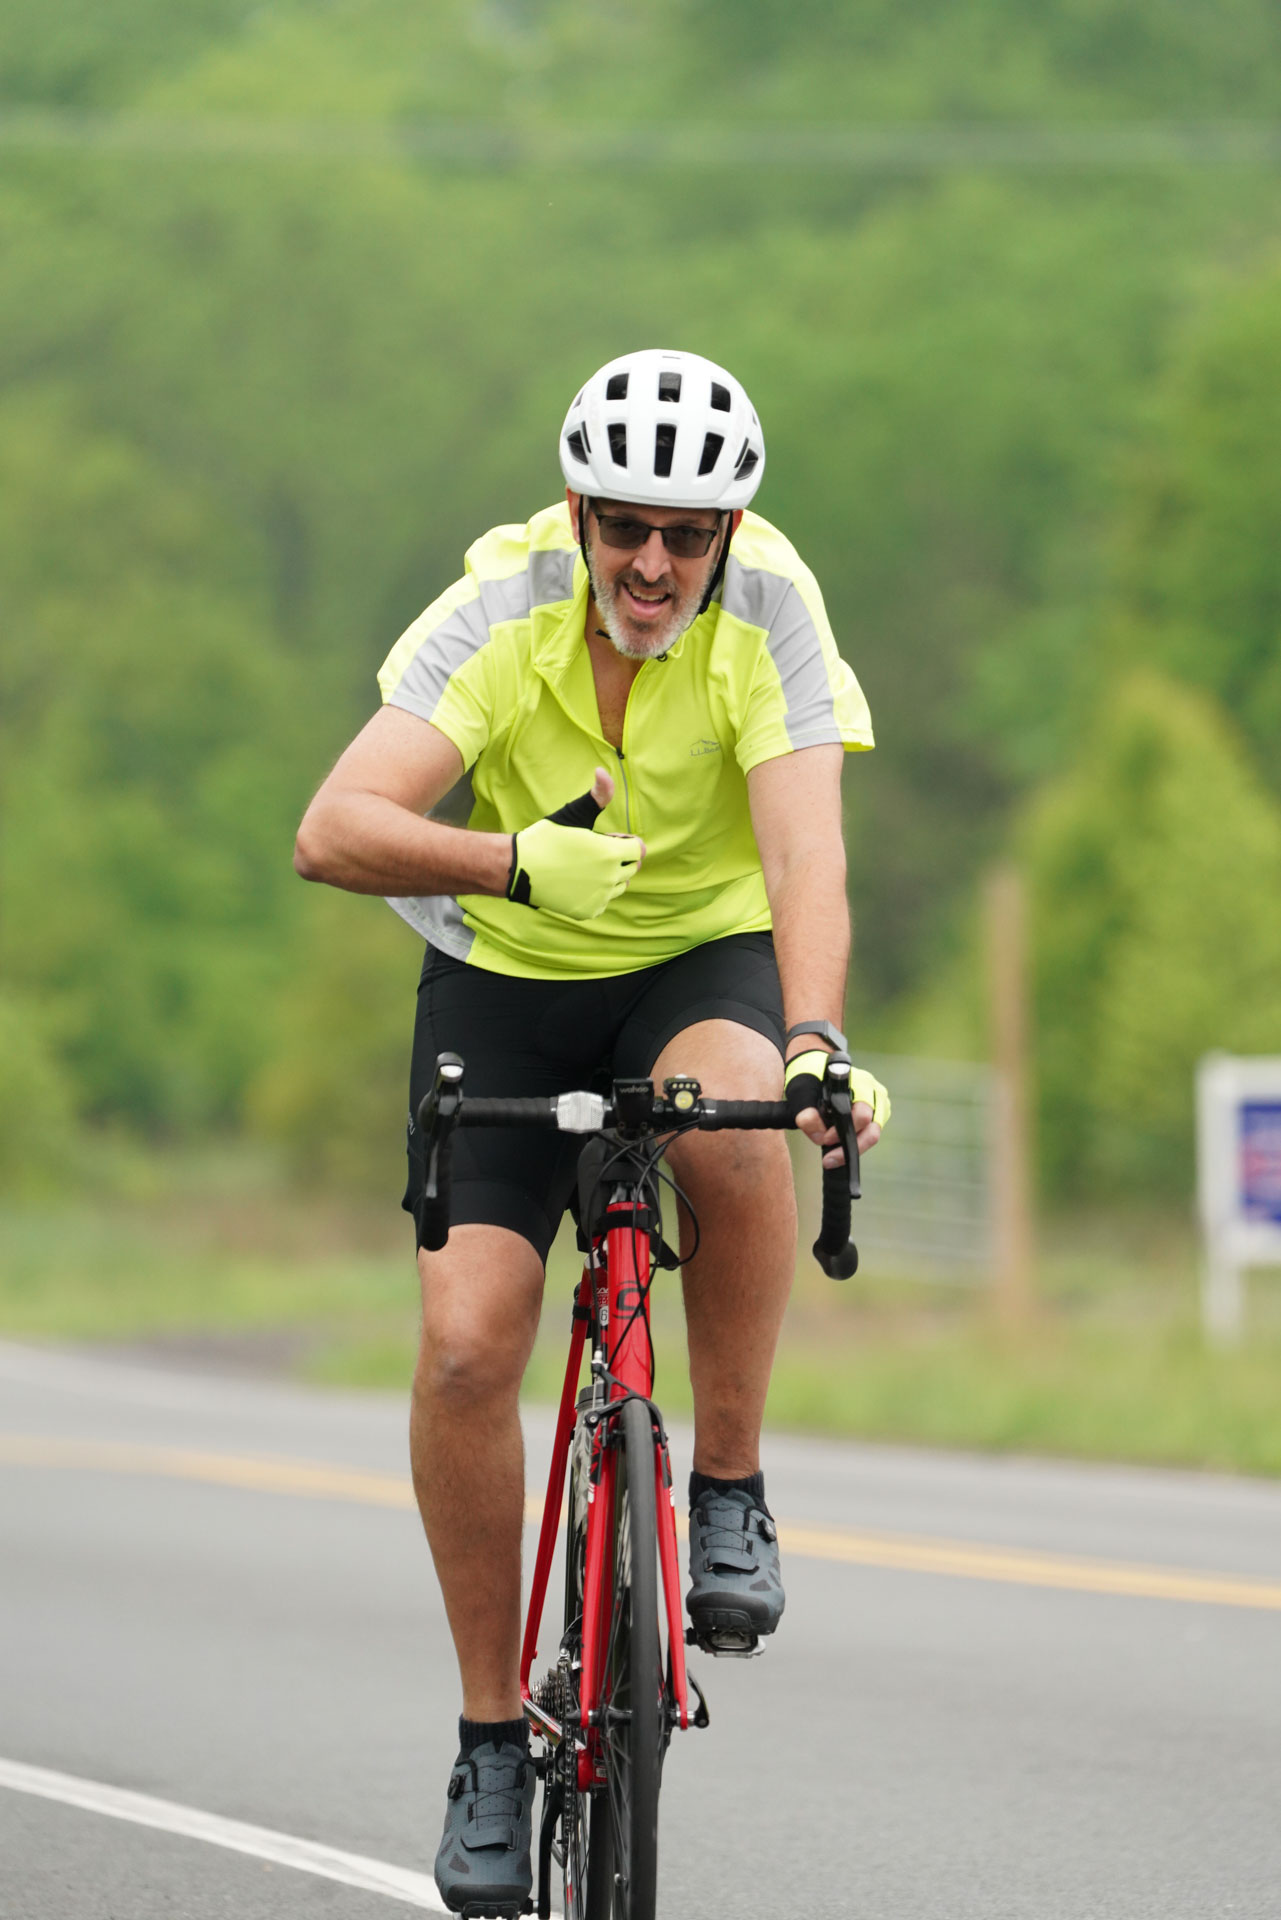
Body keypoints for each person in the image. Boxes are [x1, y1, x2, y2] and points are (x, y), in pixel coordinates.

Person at [294, 347, 890, 1916]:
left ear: (728, 534)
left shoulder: (770, 608)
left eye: (687, 536)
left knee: (731, 1127)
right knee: (465, 1348)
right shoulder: (500, 605)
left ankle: (728, 1488)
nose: (652, 565)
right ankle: (492, 1743)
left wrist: (815, 1043)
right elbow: (331, 829)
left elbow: (804, 855)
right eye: (625, 526)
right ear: (577, 513)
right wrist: (505, 862)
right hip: (505, 973)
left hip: (698, 957)